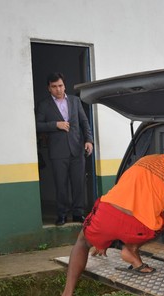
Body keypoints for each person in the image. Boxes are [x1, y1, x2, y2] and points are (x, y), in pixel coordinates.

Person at [41, 153, 164, 296]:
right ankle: (131, 249)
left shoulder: (149, 159)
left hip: (107, 212)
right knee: (162, 219)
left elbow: (125, 190)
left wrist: (102, 242)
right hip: (139, 225)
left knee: (82, 242)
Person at [35, 72, 94, 226]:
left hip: (77, 149)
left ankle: (78, 214)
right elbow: (37, 125)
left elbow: (84, 122)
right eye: (54, 87)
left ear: (64, 85)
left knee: (78, 183)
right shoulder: (44, 105)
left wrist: (89, 140)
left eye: (60, 86)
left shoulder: (75, 101)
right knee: (61, 185)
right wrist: (55, 124)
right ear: (49, 88)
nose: (58, 89)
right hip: (57, 152)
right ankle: (61, 215)